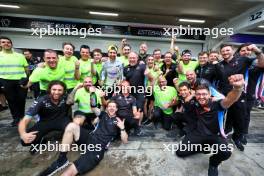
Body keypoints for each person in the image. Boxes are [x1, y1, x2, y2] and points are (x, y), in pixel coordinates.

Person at [176, 74, 245, 176]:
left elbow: (230, 99)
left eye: (204, 94)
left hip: (214, 136)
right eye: (198, 94)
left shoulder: (217, 104)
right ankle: (201, 147)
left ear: (210, 95)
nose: (201, 97)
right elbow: (186, 100)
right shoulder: (194, 103)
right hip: (197, 134)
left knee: (225, 152)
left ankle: (213, 163)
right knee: (180, 153)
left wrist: (238, 88)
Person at [39, 101, 128, 176]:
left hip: (97, 147)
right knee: (71, 126)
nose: (111, 108)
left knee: (67, 173)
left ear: (116, 109)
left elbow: (125, 140)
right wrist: (93, 93)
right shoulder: (103, 115)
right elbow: (93, 107)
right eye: (109, 106)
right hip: (89, 137)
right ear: (107, 108)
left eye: (113, 107)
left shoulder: (119, 120)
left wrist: (122, 128)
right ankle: (61, 160)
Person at [216, 44, 264, 151]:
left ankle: (237, 137)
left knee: (240, 119)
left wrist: (258, 51)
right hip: (224, 96)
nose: (225, 52)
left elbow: (261, 63)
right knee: (223, 117)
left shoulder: (243, 60)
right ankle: (223, 135)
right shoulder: (219, 65)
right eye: (223, 51)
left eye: (227, 50)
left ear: (232, 50)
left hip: (239, 96)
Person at [18, 81, 71, 154]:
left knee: (74, 130)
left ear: (64, 91)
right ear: (49, 90)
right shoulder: (41, 100)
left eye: (59, 90)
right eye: (54, 89)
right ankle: (41, 140)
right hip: (45, 122)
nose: (56, 92)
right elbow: (25, 119)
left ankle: (53, 136)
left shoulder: (65, 97)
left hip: (62, 120)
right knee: (24, 141)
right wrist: (23, 134)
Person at [0, 36, 29, 126]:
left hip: (20, 80)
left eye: (8, 42)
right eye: (3, 42)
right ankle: (16, 118)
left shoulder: (20, 56)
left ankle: (21, 117)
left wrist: (25, 78)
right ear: (0, 44)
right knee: (11, 100)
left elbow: (26, 68)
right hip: (5, 81)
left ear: (11, 44)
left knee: (21, 99)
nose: (6, 44)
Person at [124, 52, 146, 125]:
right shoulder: (126, 68)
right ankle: (132, 124)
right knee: (131, 108)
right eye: (130, 58)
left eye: (134, 58)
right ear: (128, 58)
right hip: (130, 92)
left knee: (140, 109)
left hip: (140, 91)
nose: (132, 59)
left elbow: (150, 77)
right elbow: (125, 81)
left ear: (137, 58)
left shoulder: (142, 66)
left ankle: (138, 125)